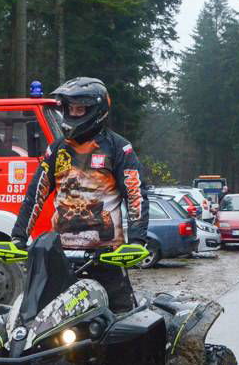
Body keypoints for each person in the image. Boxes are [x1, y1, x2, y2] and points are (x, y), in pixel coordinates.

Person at [11, 77, 148, 312]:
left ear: (97, 110)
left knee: (119, 320)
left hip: (106, 255)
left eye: (80, 109)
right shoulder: (56, 149)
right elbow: (36, 194)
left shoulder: (118, 147)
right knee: (43, 316)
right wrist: (18, 238)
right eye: (70, 108)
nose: (74, 113)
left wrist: (136, 241)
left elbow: (135, 194)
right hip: (61, 255)